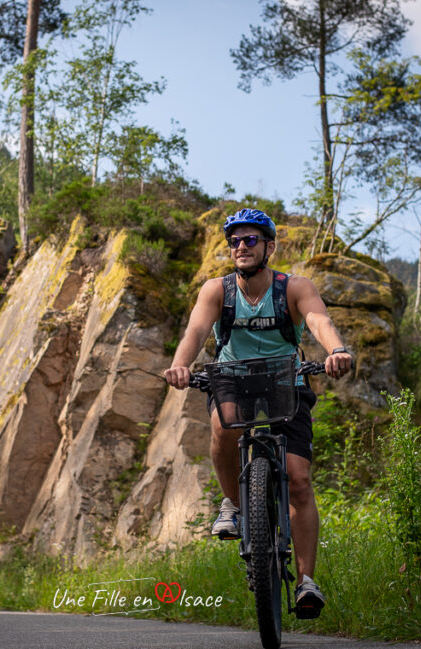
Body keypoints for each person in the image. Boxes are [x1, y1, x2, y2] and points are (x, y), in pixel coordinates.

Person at [163, 208, 353, 619]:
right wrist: (181, 364)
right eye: (234, 241)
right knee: (221, 426)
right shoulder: (218, 290)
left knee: (300, 480)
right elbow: (195, 332)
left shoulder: (293, 287)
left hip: (288, 378)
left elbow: (318, 320)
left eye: (250, 240)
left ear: (269, 246)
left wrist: (336, 350)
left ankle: (306, 582)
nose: (241, 247)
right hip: (232, 376)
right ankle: (231, 503)